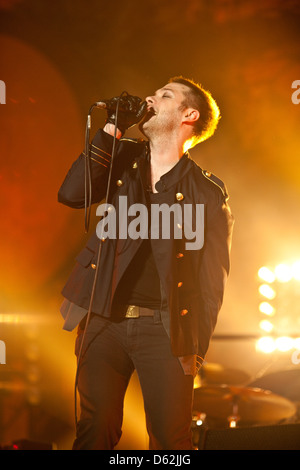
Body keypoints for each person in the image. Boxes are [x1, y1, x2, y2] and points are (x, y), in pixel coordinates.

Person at [58, 76, 234, 450]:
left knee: (171, 440)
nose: (151, 99)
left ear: (189, 115)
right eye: (154, 94)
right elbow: (72, 194)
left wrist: (195, 346)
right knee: (95, 431)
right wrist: (112, 129)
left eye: (164, 95)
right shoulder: (122, 157)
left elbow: (211, 280)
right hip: (103, 320)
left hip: (166, 330)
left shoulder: (207, 192)